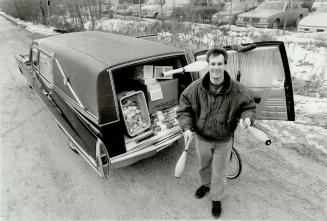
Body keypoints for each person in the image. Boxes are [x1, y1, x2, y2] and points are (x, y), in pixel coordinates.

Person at [177, 47, 256, 219]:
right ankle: (205, 184)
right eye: (213, 63)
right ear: (207, 65)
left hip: (223, 140)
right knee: (203, 166)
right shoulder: (195, 88)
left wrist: (247, 119)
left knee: (219, 172)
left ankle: (216, 198)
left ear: (225, 64)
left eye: (220, 63)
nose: (216, 68)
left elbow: (248, 107)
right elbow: (184, 108)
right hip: (202, 138)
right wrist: (186, 127)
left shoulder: (237, 89)